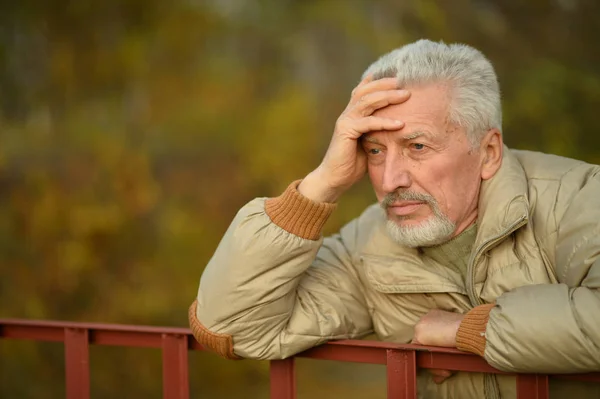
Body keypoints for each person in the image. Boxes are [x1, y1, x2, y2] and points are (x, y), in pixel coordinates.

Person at [188, 40, 600, 398]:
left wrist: (469, 330)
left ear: (488, 151)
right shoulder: (369, 244)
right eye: (375, 151)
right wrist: (321, 185)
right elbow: (231, 328)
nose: (390, 180)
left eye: (417, 146)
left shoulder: (579, 197)